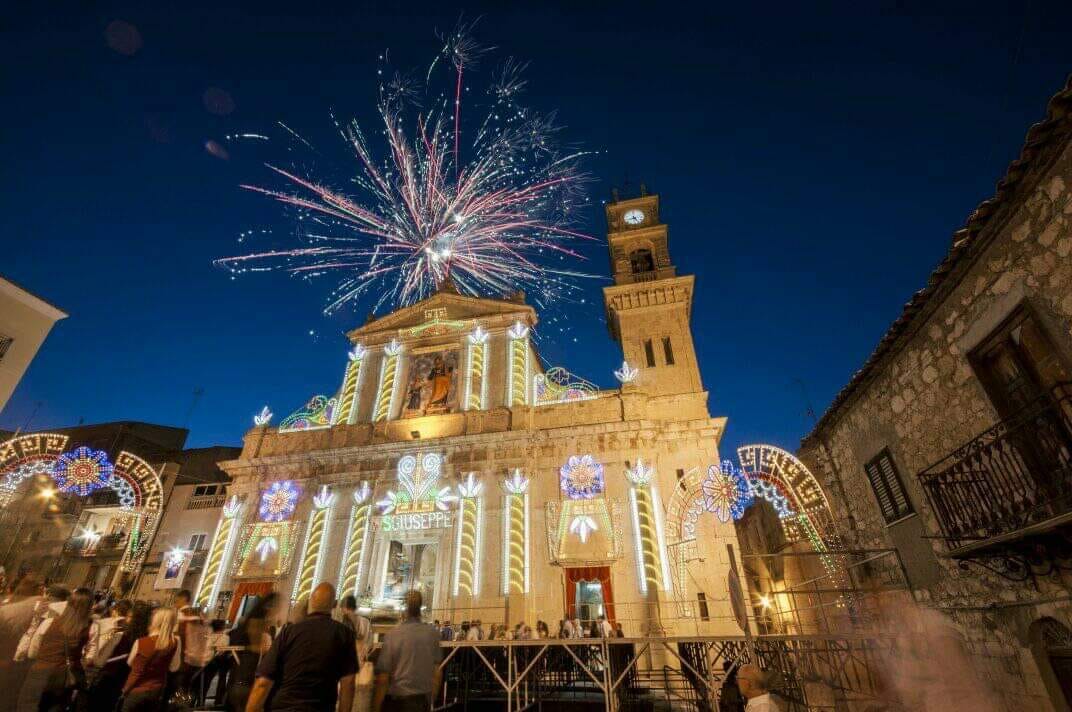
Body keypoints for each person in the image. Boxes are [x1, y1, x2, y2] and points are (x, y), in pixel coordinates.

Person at [246, 582, 358, 712]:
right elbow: (348, 683)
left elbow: (263, 683)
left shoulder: (288, 632)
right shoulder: (344, 634)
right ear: (334, 605)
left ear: (310, 601)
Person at [16, 587, 93, 712]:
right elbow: (85, 655)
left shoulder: (49, 622)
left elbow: (32, 652)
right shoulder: (86, 629)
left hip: (38, 672)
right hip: (61, 679)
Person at [372, 590, 442, 712]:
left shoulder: (393, 635)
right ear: (420, 607)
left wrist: (376, 707)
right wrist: (430, 700)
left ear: (405, 609)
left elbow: (383, 679)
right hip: (420, 702)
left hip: (396, 702)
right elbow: (437, 673)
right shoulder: (433, 634)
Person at [122, 607, 183, 711]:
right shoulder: (175, 642)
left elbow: (130, 663)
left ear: (155, 621)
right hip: (157, 690)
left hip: (135, 688)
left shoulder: (141, 642)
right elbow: (174, 668)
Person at [226, 592, 277, 712]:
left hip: (242, 681)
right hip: (247, 682)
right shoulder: (257, 626)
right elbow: (257, 651)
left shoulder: (251, 623)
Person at [86, 600, 136, 712]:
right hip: (112, 671)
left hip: (93, 664)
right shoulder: (130, 630)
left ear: (115, 610)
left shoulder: (101, 623)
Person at [176, 589, 212, 702]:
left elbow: (179, 639)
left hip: (183, 660)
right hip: (199, 661)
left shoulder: (181, 616)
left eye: (176, 600)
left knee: (179, 692)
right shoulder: (201, 618)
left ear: (183, 599)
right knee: (191, 692)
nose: (175, 603)